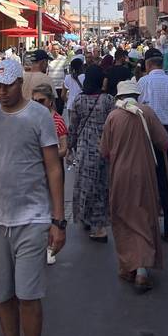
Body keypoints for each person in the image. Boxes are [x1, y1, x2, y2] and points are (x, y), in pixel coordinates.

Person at [0, 58, 65, 336]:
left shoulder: (39, 116)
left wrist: (58, 220)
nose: (1, 92)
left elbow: (53, 168)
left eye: (7, 86)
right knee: (2, 296)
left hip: (32, 217)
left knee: (28, 297)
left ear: (20, 84)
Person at [100, 79, 168, 292]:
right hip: (145, 173)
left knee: (123, 218)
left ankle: (130, 266)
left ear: (119, 97)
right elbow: (165, 141)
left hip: (120, 174)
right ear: (137, 96)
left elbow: (104, 151)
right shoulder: (146, 112)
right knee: (144, 216)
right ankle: (141, 270)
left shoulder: (113, 117)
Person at [136, 48, 168, 244]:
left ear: (147, 65)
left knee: (148, 180)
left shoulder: (143, 82)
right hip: (167, 133)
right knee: (167, 180)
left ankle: (148, 228)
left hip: (147, 133)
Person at [68, 65, 113, 242]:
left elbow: (73, 127)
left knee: (84, 186)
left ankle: (86, 219)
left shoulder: (79, 101)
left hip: (84, 149)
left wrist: (69, 147)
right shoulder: (108, 100)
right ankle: (99, 226)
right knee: (101, 188)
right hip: (103, 149)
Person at [32, 83, 68, 266]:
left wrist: (48, 155)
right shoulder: (28, 119)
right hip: (34, 173)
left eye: (41, 100)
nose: (37, 104)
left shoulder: (58, 121)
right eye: (34, 101)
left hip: (51, 172)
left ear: (50, 102)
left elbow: (64, 148)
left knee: (51, 210)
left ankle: (49, 247)